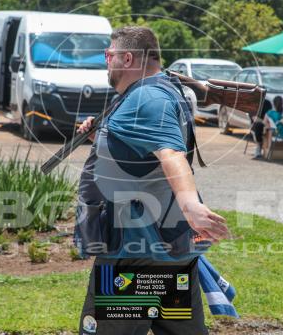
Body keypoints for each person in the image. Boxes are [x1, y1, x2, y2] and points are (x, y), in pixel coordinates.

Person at [75, 26, 228, 335]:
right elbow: (145, 152)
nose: (106, 60)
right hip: (164, 249)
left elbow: (170, 153)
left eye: (109, 54)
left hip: (135, 255)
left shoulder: (147, 98)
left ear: (127, 58)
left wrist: (191, 205)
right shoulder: (158, 90)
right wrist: (104, 138)